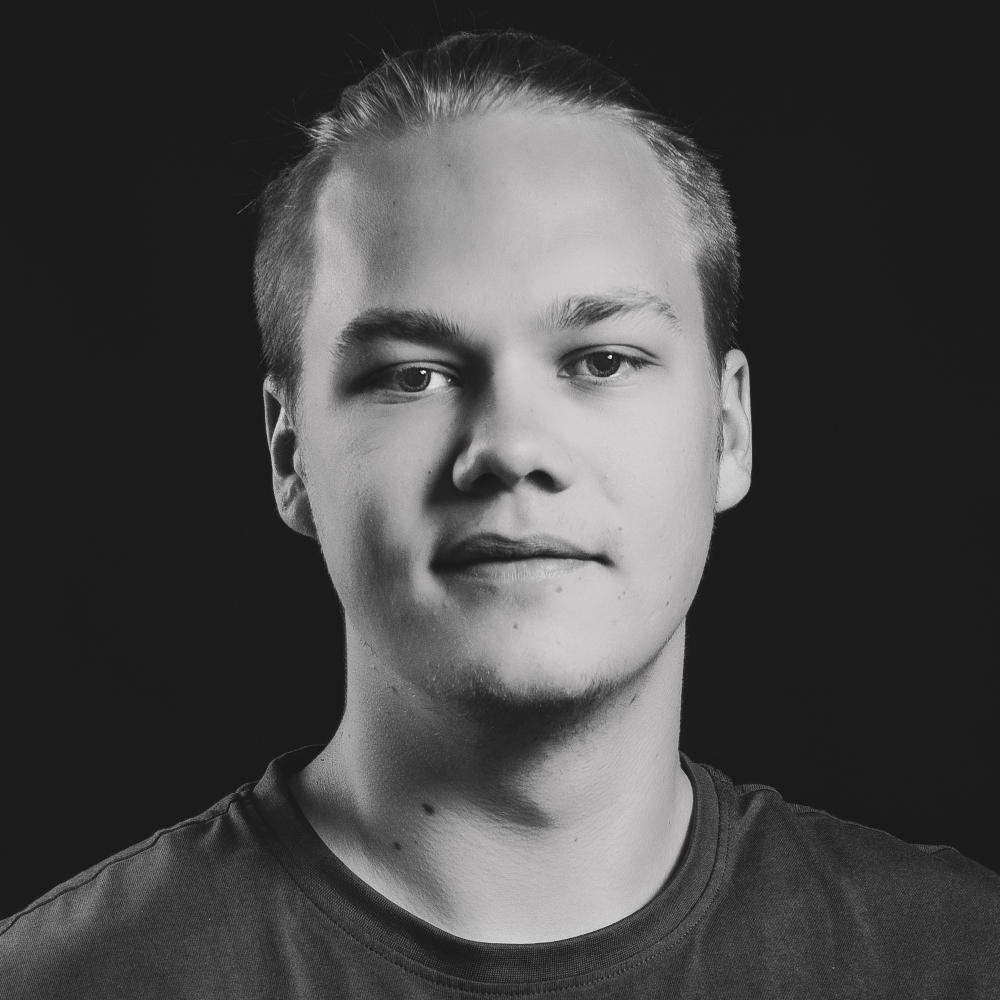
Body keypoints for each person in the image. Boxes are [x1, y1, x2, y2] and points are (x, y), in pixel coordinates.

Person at [2, 29, 997, 999]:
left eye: (601, 360)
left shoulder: (959, 960)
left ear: (727, 429)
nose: (512, 446)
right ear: (289, 453)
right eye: (414, 375)